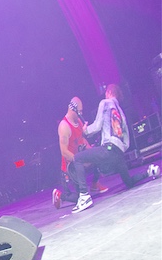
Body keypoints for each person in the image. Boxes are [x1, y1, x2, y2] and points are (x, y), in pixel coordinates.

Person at [68, 84, 159, 212]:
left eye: (106, 92)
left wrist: (85, 131)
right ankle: (149, 172)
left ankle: (84, 196)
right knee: (129, 182)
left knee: (77, 158)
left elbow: (98, 125)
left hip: (108, 149)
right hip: (119, 153)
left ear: (109, 92)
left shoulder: (105, 103)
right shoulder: (121, 112)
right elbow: (126, 138)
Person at [52, 97, 104, 210]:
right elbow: (64, 152)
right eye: (79, 111)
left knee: (96, 156)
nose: (81, 114)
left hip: (79, 160)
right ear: (72, 110)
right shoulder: (64, 126)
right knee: (79, 197)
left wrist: (90, 151)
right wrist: (79, 161)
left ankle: (95, 184)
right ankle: (60, 195)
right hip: (69, 167)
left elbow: (82, 139)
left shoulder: (79, 122)